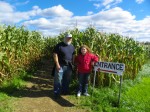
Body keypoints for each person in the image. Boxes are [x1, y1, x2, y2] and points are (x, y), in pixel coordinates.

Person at [53, 33, 75, 98]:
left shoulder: (72, 46)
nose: (69, 39)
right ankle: (57, 93)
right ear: (65, 38)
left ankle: (65, 91)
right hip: (60, 65)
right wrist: (57, 64)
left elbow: (73, 55)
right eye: (67, 37)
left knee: (67, 79)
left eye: (70, 38)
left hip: (69, 65)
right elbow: (55, 54)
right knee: (58, 79)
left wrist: (73, 64)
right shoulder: (59, 45)